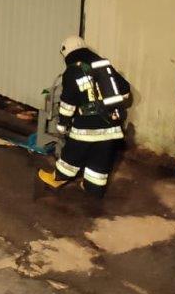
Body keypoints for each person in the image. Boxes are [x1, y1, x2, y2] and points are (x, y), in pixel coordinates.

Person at [38, 36, 132, 197]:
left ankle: (58, 178)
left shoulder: (72, 71)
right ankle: (94, 188)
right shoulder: (103, 64)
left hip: (87, 125)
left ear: (66, 52)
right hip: (111, 124)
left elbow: (68, 103)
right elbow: (124, 90)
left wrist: (63, 124)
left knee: (73, 153)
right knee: (101, 159)